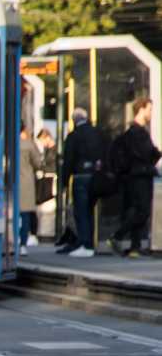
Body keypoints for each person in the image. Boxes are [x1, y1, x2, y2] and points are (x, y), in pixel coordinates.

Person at [107, 97, 161, 258]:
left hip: (132, 176)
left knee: (136, 210)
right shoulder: (139, 133)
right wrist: (157, 153)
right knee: (143, 211)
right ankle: (118, 236)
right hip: (140, 175)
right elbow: (147, 154)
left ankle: (135, 247)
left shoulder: (131, 132)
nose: (151, 113)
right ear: (141, 109)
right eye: (150, 109)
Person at [59, 108, 106, 257]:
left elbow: (68, 160)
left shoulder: (74, 136)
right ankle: (90, 243)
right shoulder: (97, 133)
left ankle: (84, 243)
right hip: (96, 177)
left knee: (81, 212)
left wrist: (65, 182)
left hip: (80, 177)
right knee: (90, 211)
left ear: (74, 120)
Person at [19, 123, 49, 255]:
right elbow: (38, 163)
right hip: (25, 183)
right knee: (25, 215)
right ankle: (22, 244)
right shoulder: (28, 144)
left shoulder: (6, 144)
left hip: (9, 183)